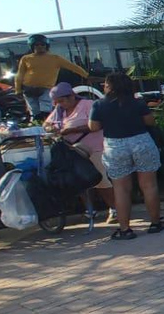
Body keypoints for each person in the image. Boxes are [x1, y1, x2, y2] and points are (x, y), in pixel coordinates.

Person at [89, 72, 164, 240]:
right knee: (149, 186)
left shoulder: (99, 104)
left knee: (121, 189)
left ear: (109, 86)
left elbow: (93, 127)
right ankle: (155, 223)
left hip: (115, 145)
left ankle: (125, 229)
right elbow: (150, 122)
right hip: (141, 141)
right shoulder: (137, 103)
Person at [43, 82, 117, 223]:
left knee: (100, 179)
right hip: (73, 151)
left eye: (62, 101)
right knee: (81, 180)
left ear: (71, 96)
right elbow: (46, 123)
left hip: (95, 148)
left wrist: (71, 130)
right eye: (57, 102)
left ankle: (115, 208)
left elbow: (97, 125)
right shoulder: (59, 111)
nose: (61, 104)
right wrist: (50, 128)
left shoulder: (88, 105)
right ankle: (90, 210)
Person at [15, 34, 89, 120]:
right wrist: (18, 90)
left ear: (46, 46)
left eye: (42, 45)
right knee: (34, 112)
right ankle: (37, 128)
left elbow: (73, 67)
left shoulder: (55, 58)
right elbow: (20, 74)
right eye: (36, 45)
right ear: (32, 47)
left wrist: (86, 75)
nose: (40, 47)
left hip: (45, 88)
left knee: (45, 110)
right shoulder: (26, 59)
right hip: (28, 89)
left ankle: (47, 126)